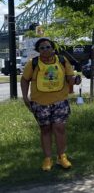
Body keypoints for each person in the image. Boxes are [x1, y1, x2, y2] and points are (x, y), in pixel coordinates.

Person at [21, 38, 81, 171]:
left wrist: (75, 80)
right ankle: (47, 159)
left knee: (59, 128)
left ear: (52, 48)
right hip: (40, 102)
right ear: (38, 51)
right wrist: (25, 97)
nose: (45, 50)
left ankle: (62, 157)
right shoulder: (33, 63)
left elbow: (69, 77)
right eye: (42, 48)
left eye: (48, 47)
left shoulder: (62, 60)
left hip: (60, 100)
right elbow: (24, 80)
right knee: (45, 129)